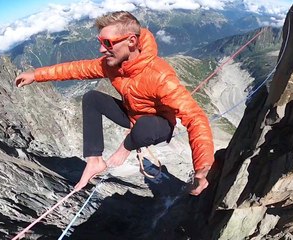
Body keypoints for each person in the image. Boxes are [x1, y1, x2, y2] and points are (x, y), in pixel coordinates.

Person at [15, 11, 214, 196]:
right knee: (92, 98)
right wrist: (36, 75)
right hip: (132, 115)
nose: (102, 49)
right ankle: (94, 160)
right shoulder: (112, 65)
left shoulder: (160, 76)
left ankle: (126, 146)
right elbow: (76, 68)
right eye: (100, 42)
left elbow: (195, 118)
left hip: (158, 125)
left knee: (144, 126)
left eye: (108, 43)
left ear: (131, 41)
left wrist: (202, 167)